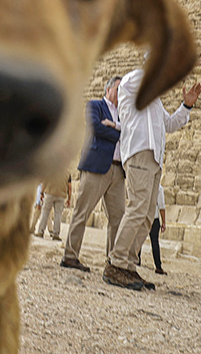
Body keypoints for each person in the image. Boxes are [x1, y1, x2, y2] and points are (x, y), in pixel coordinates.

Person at [103, 62, 201, 291]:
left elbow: (170, 124)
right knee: (137, 208)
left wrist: (186, 106)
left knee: (147, 215)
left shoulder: (155, 102)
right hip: (139, 153)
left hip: (154, 160)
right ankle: (116, 262)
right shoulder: (130, 83)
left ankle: (128, 265)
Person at [62, 76, 125, 272]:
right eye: (118, 88)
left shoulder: (123, 113)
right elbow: (96, 128)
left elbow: (131, 134)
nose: (121, 92)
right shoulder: (94, 105)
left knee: (118, 218)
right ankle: (70, 256)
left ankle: (113, 262)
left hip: (118, 170)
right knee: (82, 212)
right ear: (108, 89)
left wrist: (113, 128)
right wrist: (120, 133)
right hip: (96, 167)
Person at [140, 183, 167, 275]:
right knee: (155, 242)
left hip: (142, 216)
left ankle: (136, 261)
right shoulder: (159, 188)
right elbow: (161, 206)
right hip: (154, 217)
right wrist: (163, 222)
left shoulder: (143, 184)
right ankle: (158, 267)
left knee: (138, 240)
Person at [36, 174, 71, 240]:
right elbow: (69, 187)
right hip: (61, 196)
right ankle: (56, 234)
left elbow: (45, 182)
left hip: (50, 193)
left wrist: (42, 193)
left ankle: (40, 231)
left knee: (45, 213)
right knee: (58, 215)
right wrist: (69, 198)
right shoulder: (68, 174)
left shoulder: (51, 170)